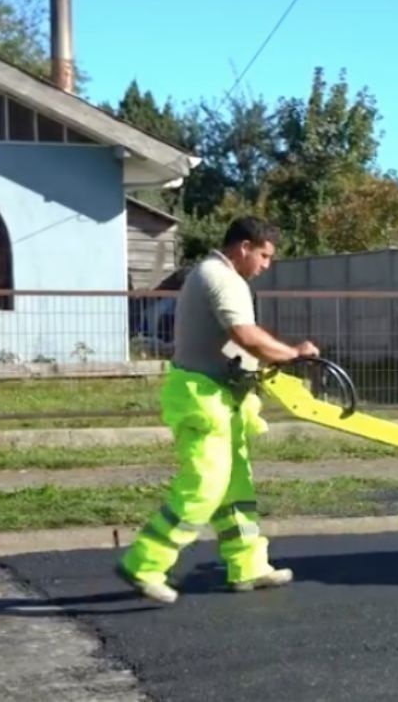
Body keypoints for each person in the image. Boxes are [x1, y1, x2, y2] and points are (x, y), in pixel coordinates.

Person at [116, 215, 319, 604]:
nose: (266, 265)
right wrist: (293, 353)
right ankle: (143, 564)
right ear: (243, 247)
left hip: (220, 397)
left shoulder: (210, 275)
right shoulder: (221, 277)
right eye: (263, 255)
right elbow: (244, 336)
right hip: (201, 397)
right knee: (204, 486)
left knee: (236, 488)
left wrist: (257, 367)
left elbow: (226, 344)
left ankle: (247, 566)